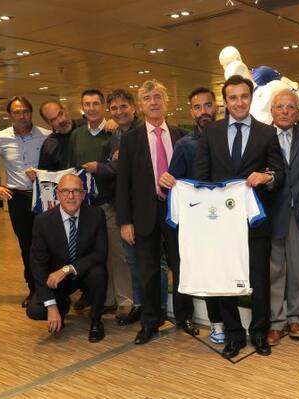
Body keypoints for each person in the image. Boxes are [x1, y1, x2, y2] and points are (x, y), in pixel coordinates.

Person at [193, 74, 284, 359]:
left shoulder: (267, 133)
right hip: (220, 225)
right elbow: (201, 176)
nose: (239, 102)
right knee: (225, 279)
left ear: (251, 98)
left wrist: (267, 177)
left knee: (258, 278)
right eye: (233, 98)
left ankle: (259, 332)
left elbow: (279, 172)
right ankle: (233, 334)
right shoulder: (211, 133)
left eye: (244, 96)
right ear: (225, 102)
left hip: (255, 222)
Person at [116, 79, 194, 345]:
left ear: (166, 102)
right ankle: (150, 322)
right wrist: (125, 221)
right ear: (140, 105)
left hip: (177, 213)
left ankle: (184, 317)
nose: (153, 102)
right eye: (148, 98)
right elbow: (123, 183)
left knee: (181, 266)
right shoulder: (130, 139)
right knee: (147, 271)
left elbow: (191, 177)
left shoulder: (182, 136)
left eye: (158, 97)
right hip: (143, 215)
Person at [0, 96, 51, 307]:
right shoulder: (1, 138)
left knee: (49, 243)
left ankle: (54, 288)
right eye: (17, 112)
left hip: (44, 195)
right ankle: (34, 289)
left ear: (31, 112)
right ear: (10, 115)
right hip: (18, 199)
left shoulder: (46, 135)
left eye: (25, 111)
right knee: (26, 245)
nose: (22, 116)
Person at [69, 89, 131, 316]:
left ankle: (125, 299)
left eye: (96, 103)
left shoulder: (113, 131)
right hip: (86, 206)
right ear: (82, 108)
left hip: (110, 203)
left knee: (117, 253)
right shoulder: (77, 135)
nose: (92, 108)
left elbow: (119, 167)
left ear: (103, 107)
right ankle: (106, 298)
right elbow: (71, 169)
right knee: (97, 255)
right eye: (87, 104)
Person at [169, 87, 224, 343]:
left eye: (208, 105)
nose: (204, 111)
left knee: (229, 269)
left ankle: (233, 322)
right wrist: (167, 182)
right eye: (198, 107)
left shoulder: (229, 138)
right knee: (209, 272)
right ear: (192, 112)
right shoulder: (184, 145)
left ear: (216, 107)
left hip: (228, 219)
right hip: (199, 223)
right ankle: (217, 324)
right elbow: (175, 183)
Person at [26, 173, 108, 343]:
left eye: (76, 191)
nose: (71, 196)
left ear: (83, 195)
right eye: (65, 191)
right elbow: (38, 266)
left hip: (83, 273)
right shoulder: (43, 222)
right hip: (55, 280)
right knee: (35, 310)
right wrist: (51, 307)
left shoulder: (96, 215)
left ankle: (96, 320)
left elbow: (100, 254)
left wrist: (67, 269)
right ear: (57, 194)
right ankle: (61, 306)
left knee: (99, 273)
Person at [267, 89, 299, 346]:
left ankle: (295, 318)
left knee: (297, 269)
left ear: (297, 112)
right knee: (275, 271)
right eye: (280, 107)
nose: (285, 111)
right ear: (271, 111)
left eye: (290, 107)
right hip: (273, 214)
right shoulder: (262, 137)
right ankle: (276, 322)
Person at [38, 101, 80, 170]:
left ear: (66, 110)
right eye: (53, 119)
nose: (61, 121)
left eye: (60, 114)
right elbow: (45, 174)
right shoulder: (49, 145)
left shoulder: (88, 127)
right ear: (48, 123)